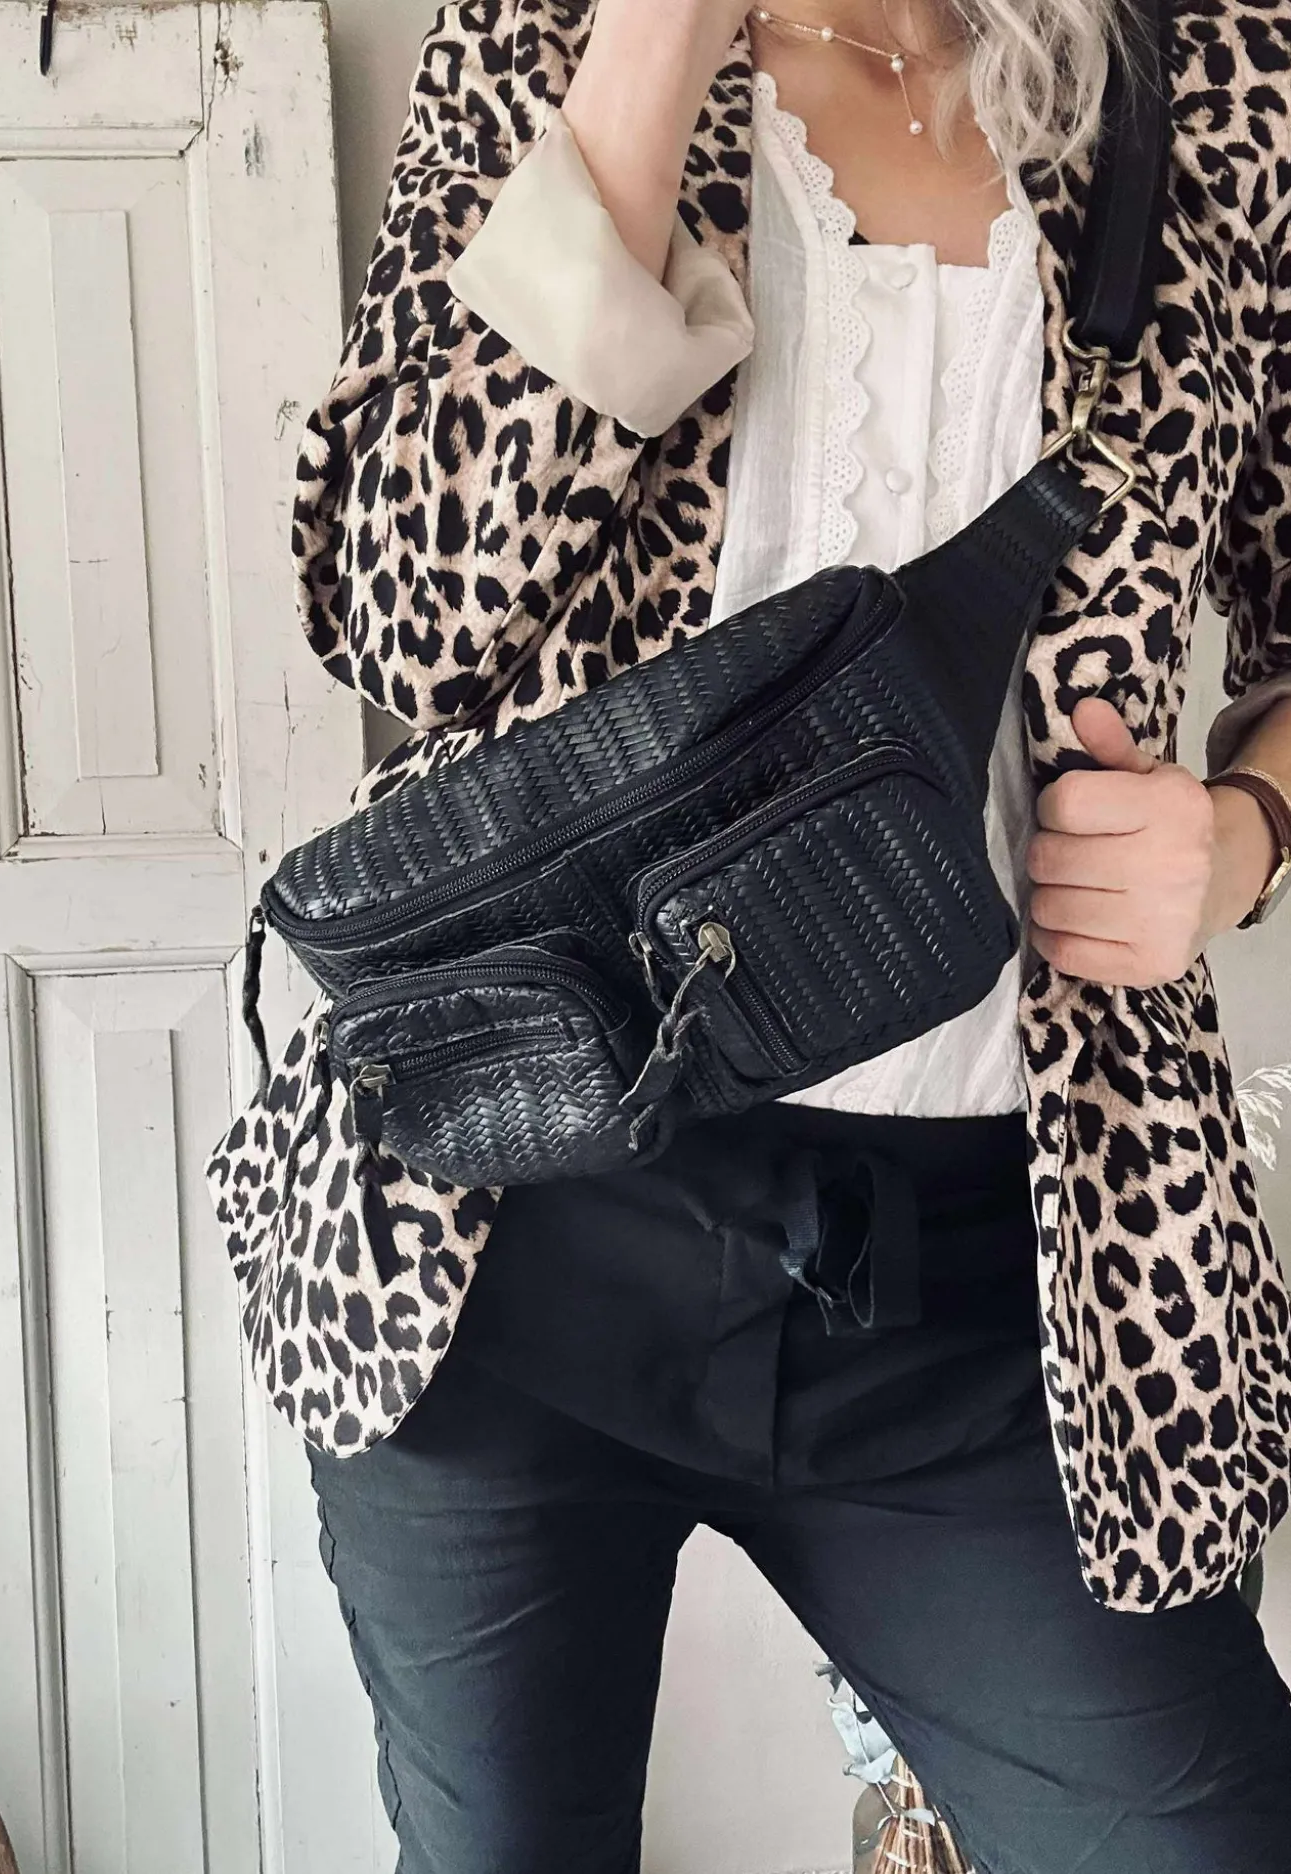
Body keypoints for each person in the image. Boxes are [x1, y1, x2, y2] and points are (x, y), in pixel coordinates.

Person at [223, 0, 1291, 1865]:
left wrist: (1242, 836)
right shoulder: (544, 35)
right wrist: (647, 59)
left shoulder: (1216, 70)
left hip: (1010, 1281)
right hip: (511, 1228)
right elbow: (401, 612)